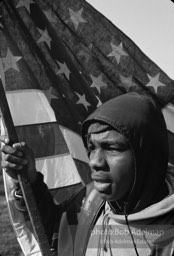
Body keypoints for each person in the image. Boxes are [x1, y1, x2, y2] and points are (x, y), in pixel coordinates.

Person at [1, 92, 174, 256]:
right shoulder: (92, 200)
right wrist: (30, 181)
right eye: (91, 148)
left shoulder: (168, 236)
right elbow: (58, 234)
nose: (94, 162)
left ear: (146, 155)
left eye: (112, 148)